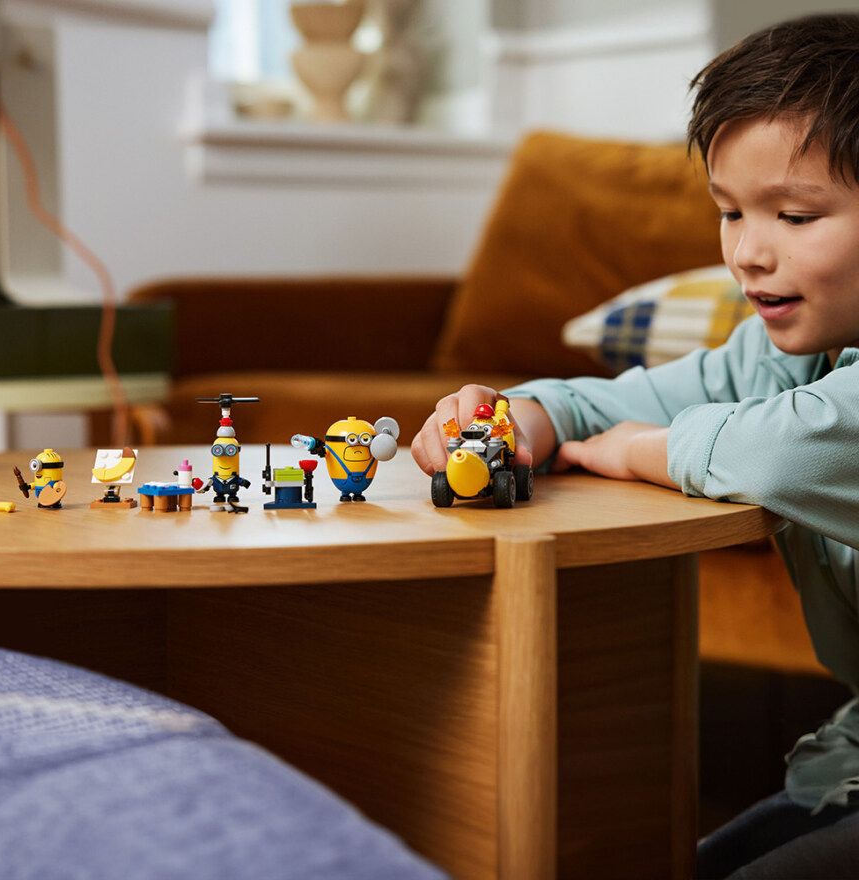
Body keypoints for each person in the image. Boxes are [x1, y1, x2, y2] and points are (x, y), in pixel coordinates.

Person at [412, 13, 859, 879]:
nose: (748, 253)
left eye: (796, 216)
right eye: (729, 212)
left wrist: (638, 451)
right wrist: (519, 418)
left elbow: (778, 453)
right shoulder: (784, 354)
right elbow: (601, 402)